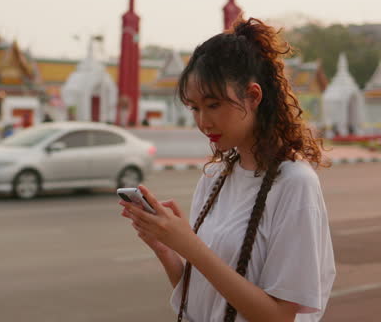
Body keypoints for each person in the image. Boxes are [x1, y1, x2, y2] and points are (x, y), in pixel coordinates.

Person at [119, 16, 335, 322]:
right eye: (194, 108)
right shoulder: (215, 177)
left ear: (254, 96)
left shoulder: (294, 183)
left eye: (213, 105)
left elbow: (279, 317)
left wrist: (191, 246)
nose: (203, 121)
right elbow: (202, 300)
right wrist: (167, 248)